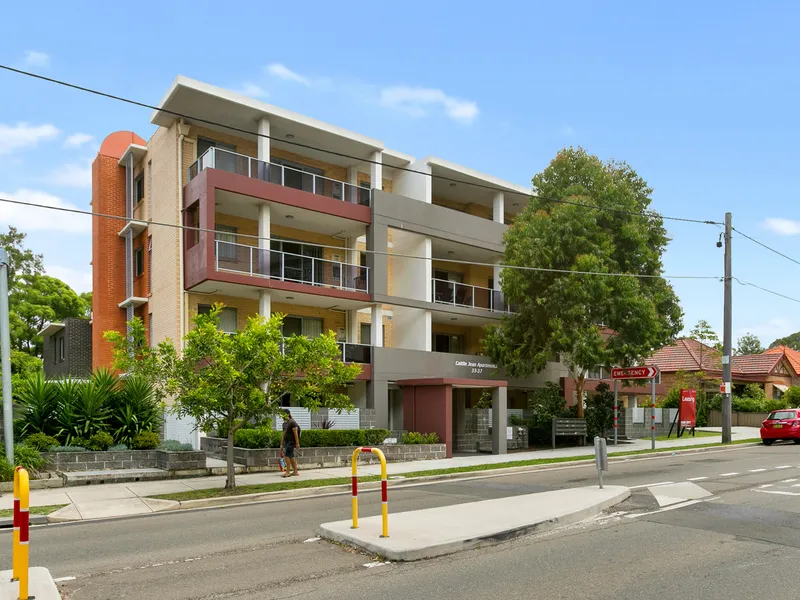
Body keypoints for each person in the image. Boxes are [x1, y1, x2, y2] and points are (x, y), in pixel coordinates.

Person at [280, 411, 301, 477]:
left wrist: (297, 443)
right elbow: (283, 434)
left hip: (291, 441)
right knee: (291, 456)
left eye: (284, 414)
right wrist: (281, 444)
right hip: (286, 441)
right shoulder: (284, 424)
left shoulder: (292, 422)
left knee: (287, 456)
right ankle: (295, 472)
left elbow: (296, 433)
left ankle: (288, 472)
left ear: (288, 414)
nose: (282, 416)